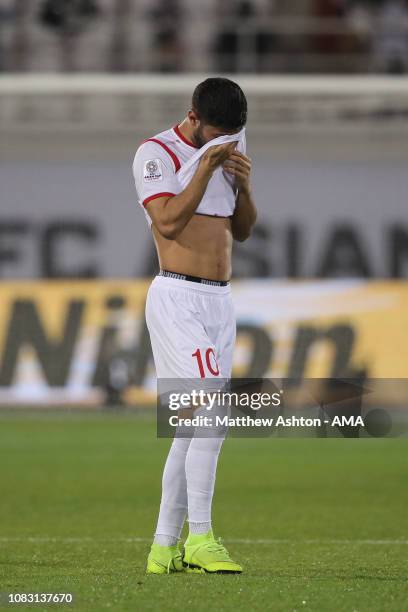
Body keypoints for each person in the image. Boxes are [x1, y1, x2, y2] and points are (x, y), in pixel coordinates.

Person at [132, 78, 257, 574]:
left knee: (191, 430)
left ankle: (163, 548)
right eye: (218, 133)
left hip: (220, 302)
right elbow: (166, 223)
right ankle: (201, 538)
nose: (225, 141)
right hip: (178, 295)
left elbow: (242, 230)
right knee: (211, 413)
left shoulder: (228, 144)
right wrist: (203, 170)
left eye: (233, 134)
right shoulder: (155, 153)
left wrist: (244, 186)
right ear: (193, 115)